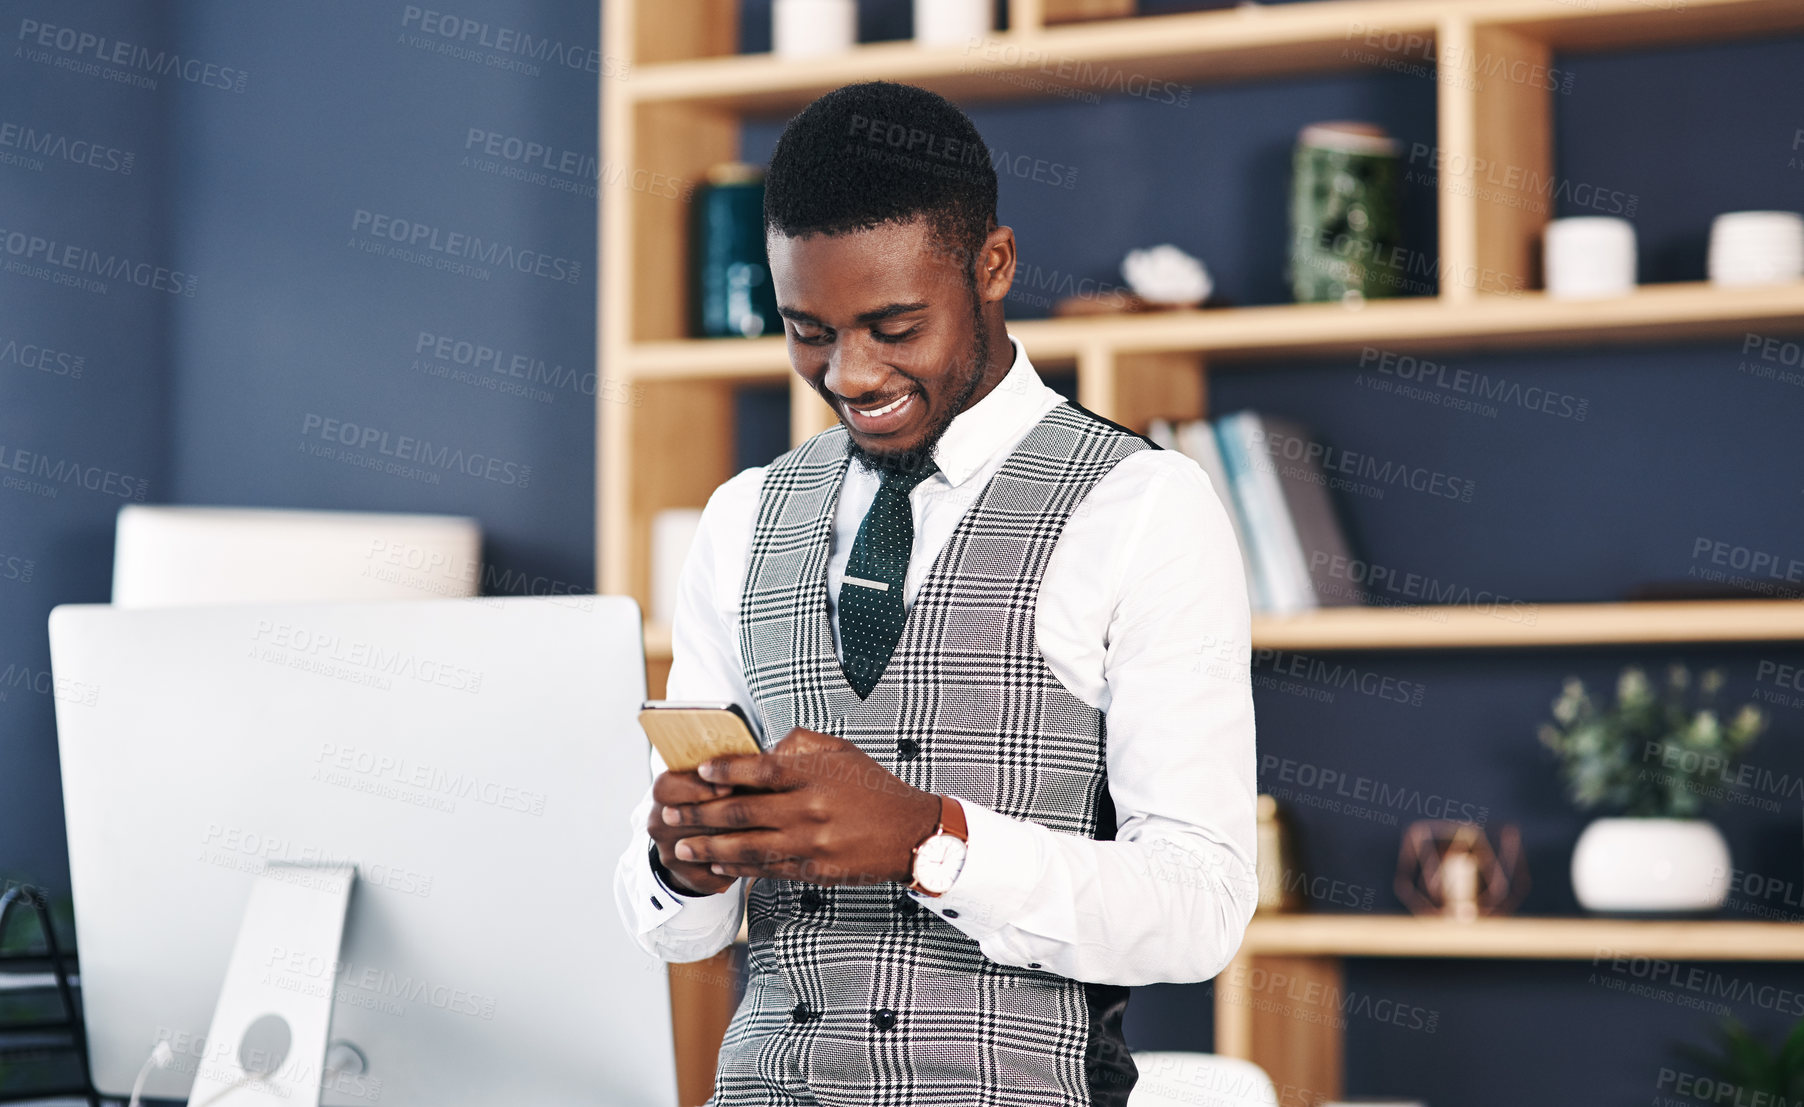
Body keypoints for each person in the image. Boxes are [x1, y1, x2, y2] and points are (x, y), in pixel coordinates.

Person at [613, 79, 1256, 1107]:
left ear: (991, 265)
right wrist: (684, 862)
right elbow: (675, 933)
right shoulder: (740, 518)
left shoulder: (1143, 506)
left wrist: (930, 839)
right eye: (808, 330)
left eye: (892, 325)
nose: (851, 373)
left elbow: (1201, 908)